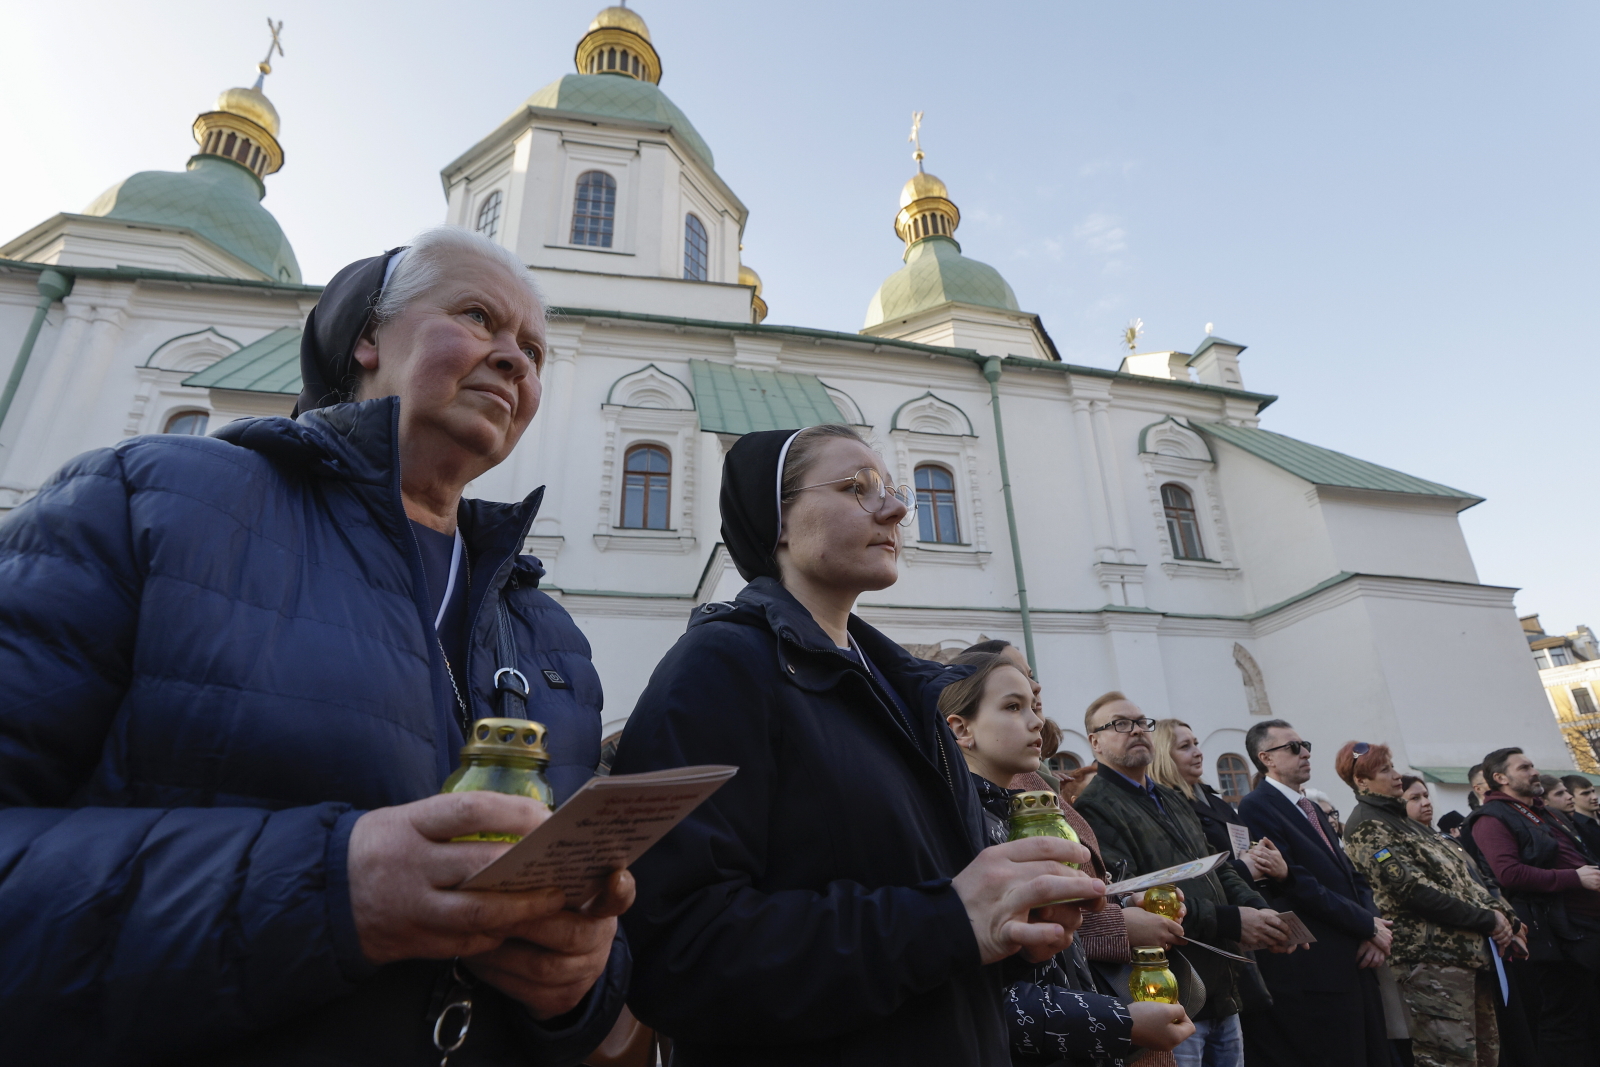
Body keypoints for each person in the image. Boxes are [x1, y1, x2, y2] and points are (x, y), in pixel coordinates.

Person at [0, 227, 631, 1065]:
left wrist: (581, 979)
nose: (516, 361)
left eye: (536, 351)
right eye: (478, 316)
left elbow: (586, 945)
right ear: (368, 337)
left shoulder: (547, 633)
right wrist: (331, 885)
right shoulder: (152, 503)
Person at [610, 424, 1105, 1066]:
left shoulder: (903, 690)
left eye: (893, 490)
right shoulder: (722, 667)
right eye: (857, 488)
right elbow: (681, 950)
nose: (896, 509)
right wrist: (950, 921)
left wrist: (1006, 930)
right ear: (778, 521)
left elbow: (936, 920)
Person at [942, 653, 1194, 1065]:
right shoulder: (956, 826)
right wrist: (1119, 1022)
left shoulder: (1014, 811)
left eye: (1032, 704)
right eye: (1012, 707)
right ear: (962, 728)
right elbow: (979, 998)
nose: (1036, 720)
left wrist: (1115, 903)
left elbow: (1050, 955)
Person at [1074, 694, 1292, 1067]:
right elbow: (1135, 896)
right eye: (1121, 724)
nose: (1138, 731)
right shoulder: (1095, 806)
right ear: (1095, 742)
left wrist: (1258, 910)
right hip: (1170, 988)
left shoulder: (1172, 798)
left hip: (1221, 984)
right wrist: (1232, 920)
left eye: (1143, 722)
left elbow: (1216, 866)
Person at [1340, 744, 1515, 1067]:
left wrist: (1505, 919)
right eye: (1385, 771)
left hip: (1465, 952)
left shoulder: (1403, 820)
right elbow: (1413, 890)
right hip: (1432, 959)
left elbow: (1460, 878)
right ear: (1361, 781)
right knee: (1449, 1058)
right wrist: (1486, 920)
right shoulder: (1368, 824)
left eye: (1393, 767)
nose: (1396, 775)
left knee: (1485, 1056)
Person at [1236, 720, 1392, 1066]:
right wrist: (1366, 925)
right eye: (1293, 747)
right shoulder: (1258, 806)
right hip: (1319, 965)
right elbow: (1296, 883)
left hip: (1355, 954)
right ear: (1267, 758)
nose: (1305, 752)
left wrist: (1372, 926)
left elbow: (1351, 876)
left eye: (1305, 744)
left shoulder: (1310, 808)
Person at [1469, 747, 1600, 1064]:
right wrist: (1574, 878)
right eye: (1524, 767)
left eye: (1532, 765)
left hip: (1583, 927)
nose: (1534, 771)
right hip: (1557, 937)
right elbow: (1509, 874)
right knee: (1566, 1022)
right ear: (1500, 778)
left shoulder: (1545, 811)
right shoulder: (1491, 818)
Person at [1149, 718, 1289, 887]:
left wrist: (1277, 867)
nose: (1198, 752)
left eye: (1196, 743)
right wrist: (1242, 868)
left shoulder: (1214, 800)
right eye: (1185, 746)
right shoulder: (1164, 808)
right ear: (1163, 756)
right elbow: (1187, 876)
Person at [1563, 774, 1600, 857]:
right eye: (1585, 793)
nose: (1594, 797)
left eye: (1593, 791)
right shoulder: (1575, 828)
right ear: (1570, 797)